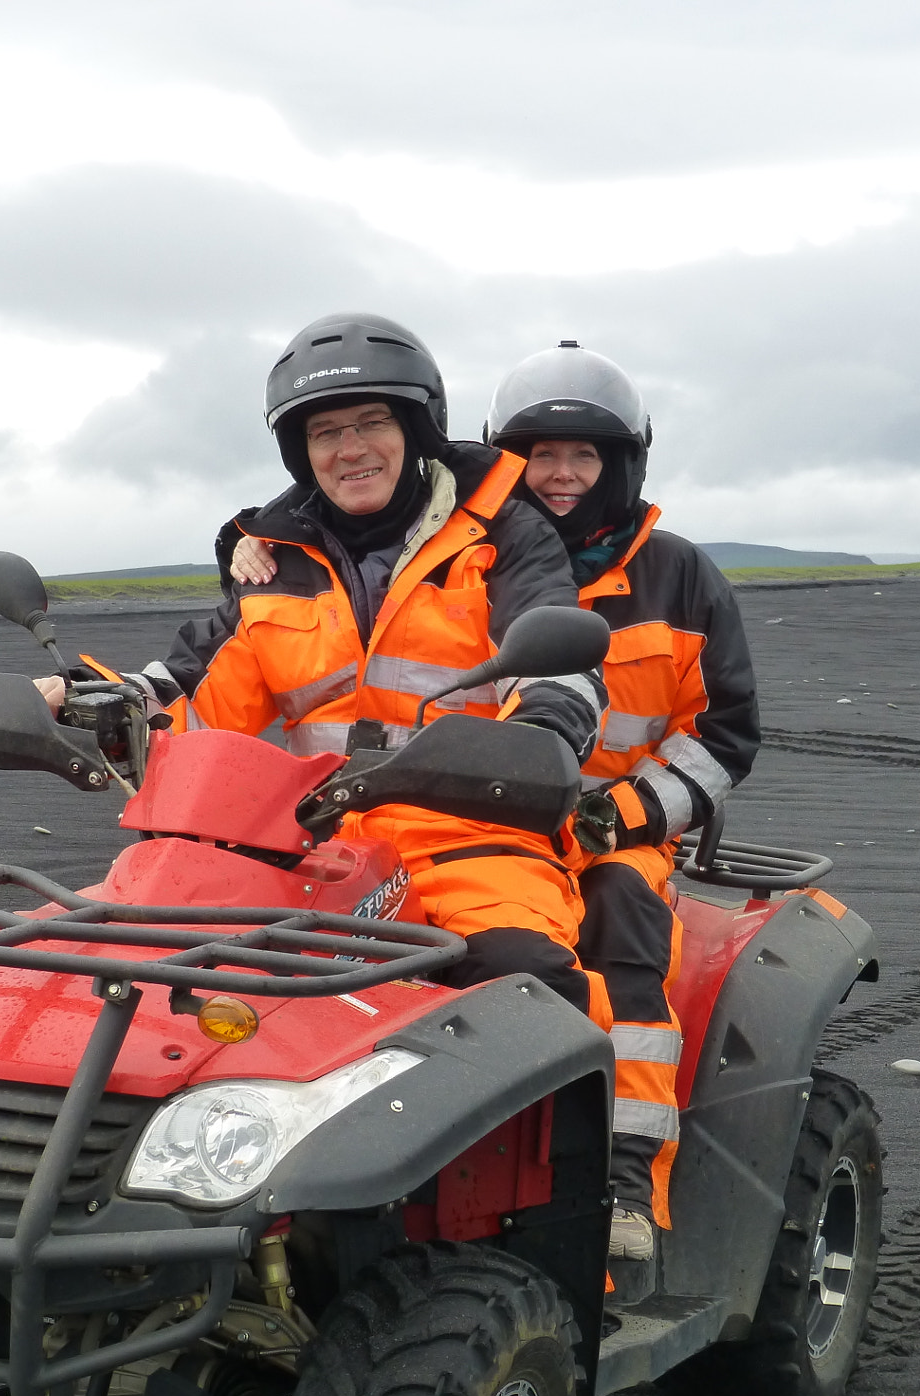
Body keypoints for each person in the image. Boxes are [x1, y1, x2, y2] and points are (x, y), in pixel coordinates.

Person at [230, 340, 759, 1260]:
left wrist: (622, 814)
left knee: (619, 932)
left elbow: (721, 738)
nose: (559, 476)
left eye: (583, 456)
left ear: (623, 462)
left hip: (604, 822)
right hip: (475, 808)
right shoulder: (476, 552)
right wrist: (250, 537)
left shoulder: (674, 575)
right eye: (539, 455)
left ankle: (621, 1178)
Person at [44, 312, 609, 1028]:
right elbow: (192, 679)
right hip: (311, 840)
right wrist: (93, 700)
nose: (349, 449)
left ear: (417, 430)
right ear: (299, 451)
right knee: (143, 975)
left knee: (526, 988)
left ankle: (573, 1137)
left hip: (471, 838)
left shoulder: (504, 534)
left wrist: (544, 730)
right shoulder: (276, 561)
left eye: (370, 423)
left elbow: (557, 653)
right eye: (324, 432)